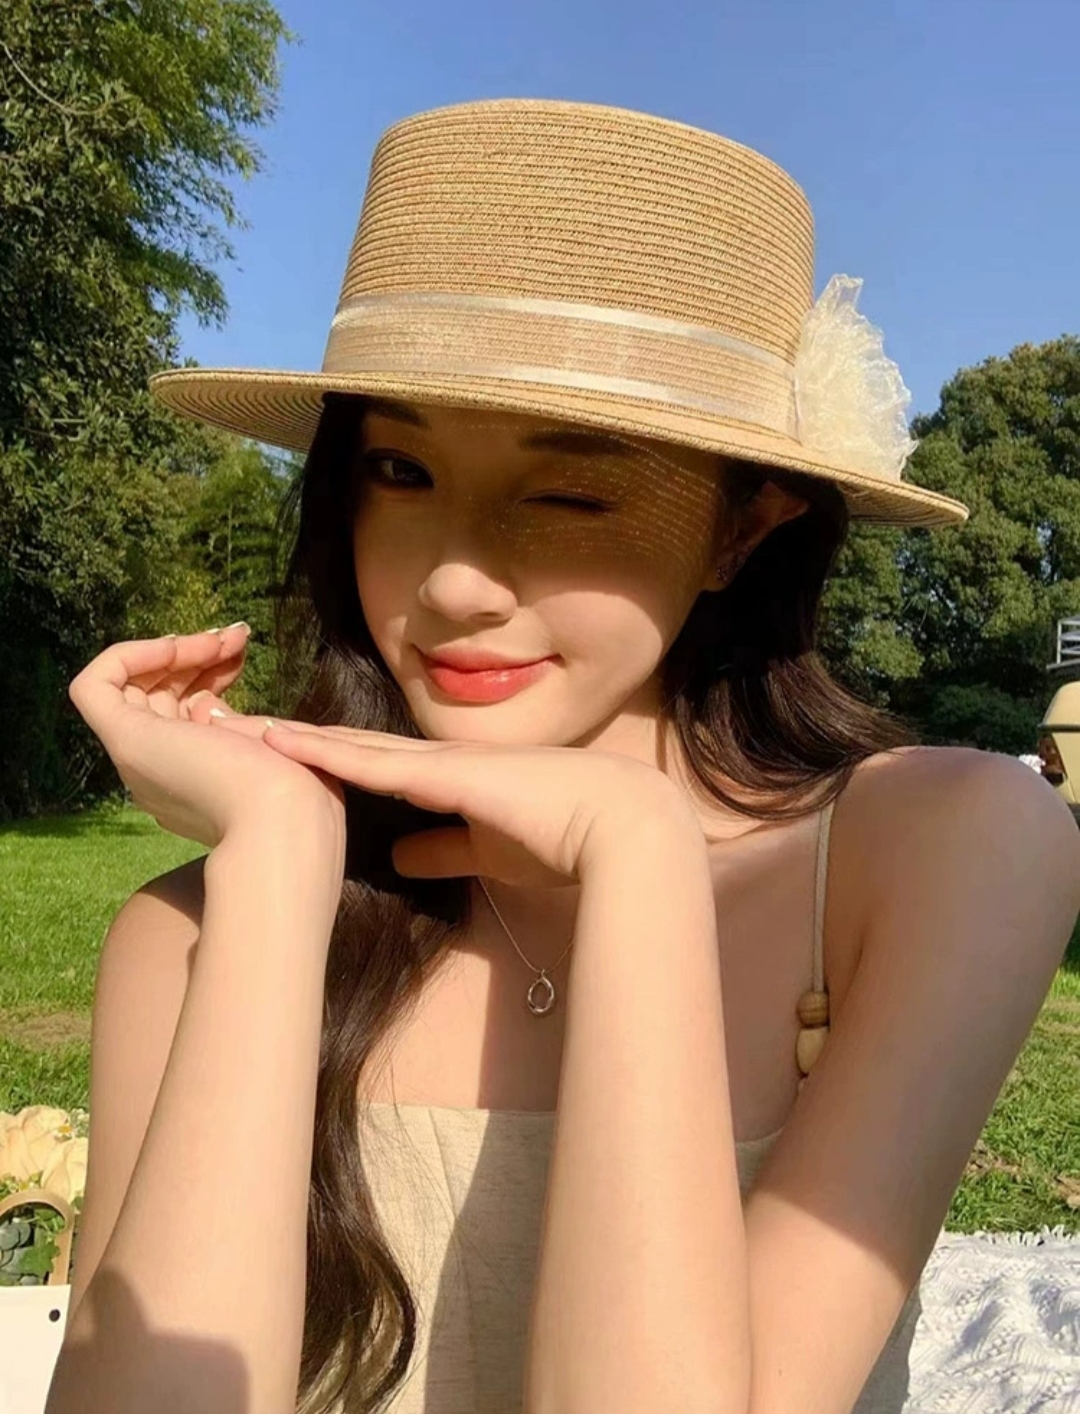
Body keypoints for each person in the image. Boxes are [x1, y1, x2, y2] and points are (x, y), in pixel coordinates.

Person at [52, 100, 1080, 1414]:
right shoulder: (194, 935)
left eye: (570, 492)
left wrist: (637, 857)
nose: (457, 582)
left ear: (741, 530)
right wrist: (276, 866)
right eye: (400, 470)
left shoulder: (938, 850)